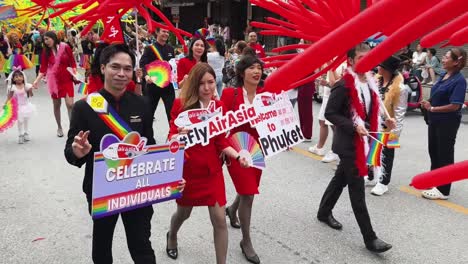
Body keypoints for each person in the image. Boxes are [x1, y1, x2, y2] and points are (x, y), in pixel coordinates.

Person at [65, 44, 184, 263]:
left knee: (142, 248)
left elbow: (150, 146)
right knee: (101, 249)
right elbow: (71, 154)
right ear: (103, 68)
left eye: (127, 69)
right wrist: (77, 151)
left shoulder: (142, 104)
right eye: (115, 67)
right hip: (102, 189)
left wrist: (170, 175)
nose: (121, 74)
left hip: (136, 188)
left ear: (133, 72)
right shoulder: (85, 107)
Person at [166, 63, 249, 264]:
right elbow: (170, 140)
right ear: (194, 84)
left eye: (211, 82)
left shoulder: (219, 108)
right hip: (188, 171)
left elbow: (221, 141)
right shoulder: (181, 105)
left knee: (220, 220)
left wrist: (238, 156)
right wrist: (178, 135)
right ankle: (172, 235)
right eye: (201, 83)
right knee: (183, 213)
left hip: (212, 171)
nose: (207, 88)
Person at [316, 43, 394, 253]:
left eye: (368, 57)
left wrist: (386, 122)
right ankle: (370, 238)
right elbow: (331, 113)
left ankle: (324, 212)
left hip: (364, 140)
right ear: (350, 60)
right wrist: (353, 125)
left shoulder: (370, 82)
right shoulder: (344, 85)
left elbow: (372, 112)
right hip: (350, 144)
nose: (365, 61)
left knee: (340, 178)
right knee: (357, 190)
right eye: (360, 57)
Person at [220, 55, 265, 264]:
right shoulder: (230, 93)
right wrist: (225, 149)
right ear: (241, 72)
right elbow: (220, 124)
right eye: (252, 68)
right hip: (237, 148)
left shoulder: (266, 95)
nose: (257, 71)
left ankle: (231, 209)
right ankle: (246, 241)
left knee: (249, 188)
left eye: (259, 68)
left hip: (258, 149)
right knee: (248, 194)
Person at [420, 48, 467, 200]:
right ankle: (434, 180)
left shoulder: (459, 81)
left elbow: (455, 105)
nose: (443, 59)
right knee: (433, 151)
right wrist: (428, 103)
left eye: (446, 57)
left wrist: (432, 108)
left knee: (445, 154)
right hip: (435, 120)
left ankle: (443, 190)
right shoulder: (442, 75)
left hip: (448, 122)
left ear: (455, 62)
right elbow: (436, 93)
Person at [366, 56, 408, 196]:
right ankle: (371, 176)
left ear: (387, 70)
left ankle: (383, 182)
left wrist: (394, 134)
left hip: (389, 127)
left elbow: (399, 114)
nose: (378, 68)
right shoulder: (376, 81)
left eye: (380, 66)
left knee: (387, 155)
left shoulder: (401, 88)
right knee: (373, 149)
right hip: (374, 123)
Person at [32, 31, 77, 138]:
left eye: (47, 39)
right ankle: (59, 127)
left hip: (67, 79)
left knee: (70, 104)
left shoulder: (65, 47)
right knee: (57, 105)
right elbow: (43, 69)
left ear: (53, 37)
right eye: (44, 40)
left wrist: (75, 74)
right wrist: (36, 80)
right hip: (54, 82)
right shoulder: (45, 52)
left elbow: (72, 62)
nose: (46, 42)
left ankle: (72, 128)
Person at [140, 28, 175, 123]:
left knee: (172, 114)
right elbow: (143, 65)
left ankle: (172, 136)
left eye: (168, 32)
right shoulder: (150, 49)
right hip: (152, 86)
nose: (166, 34)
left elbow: (173, 66)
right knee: (149, 114)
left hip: (167, 86)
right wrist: (146, 76)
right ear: (157, 32)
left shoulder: (170, 49)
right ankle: (148, 136)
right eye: (164, 31)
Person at [4, 70, 35, 144]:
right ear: (13, 79)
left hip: (27, 106)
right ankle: (20, 134)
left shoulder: (26, 86)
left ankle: (26, 132)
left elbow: (31, 95)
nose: (19, 78)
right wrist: (5, 104)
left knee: (26, 120)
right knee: (20, 121)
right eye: (16, 77)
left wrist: (30, 90)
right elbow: (9, 97)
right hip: (18, 107)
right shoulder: (13, 87)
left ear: (23, 78)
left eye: (20, 76)